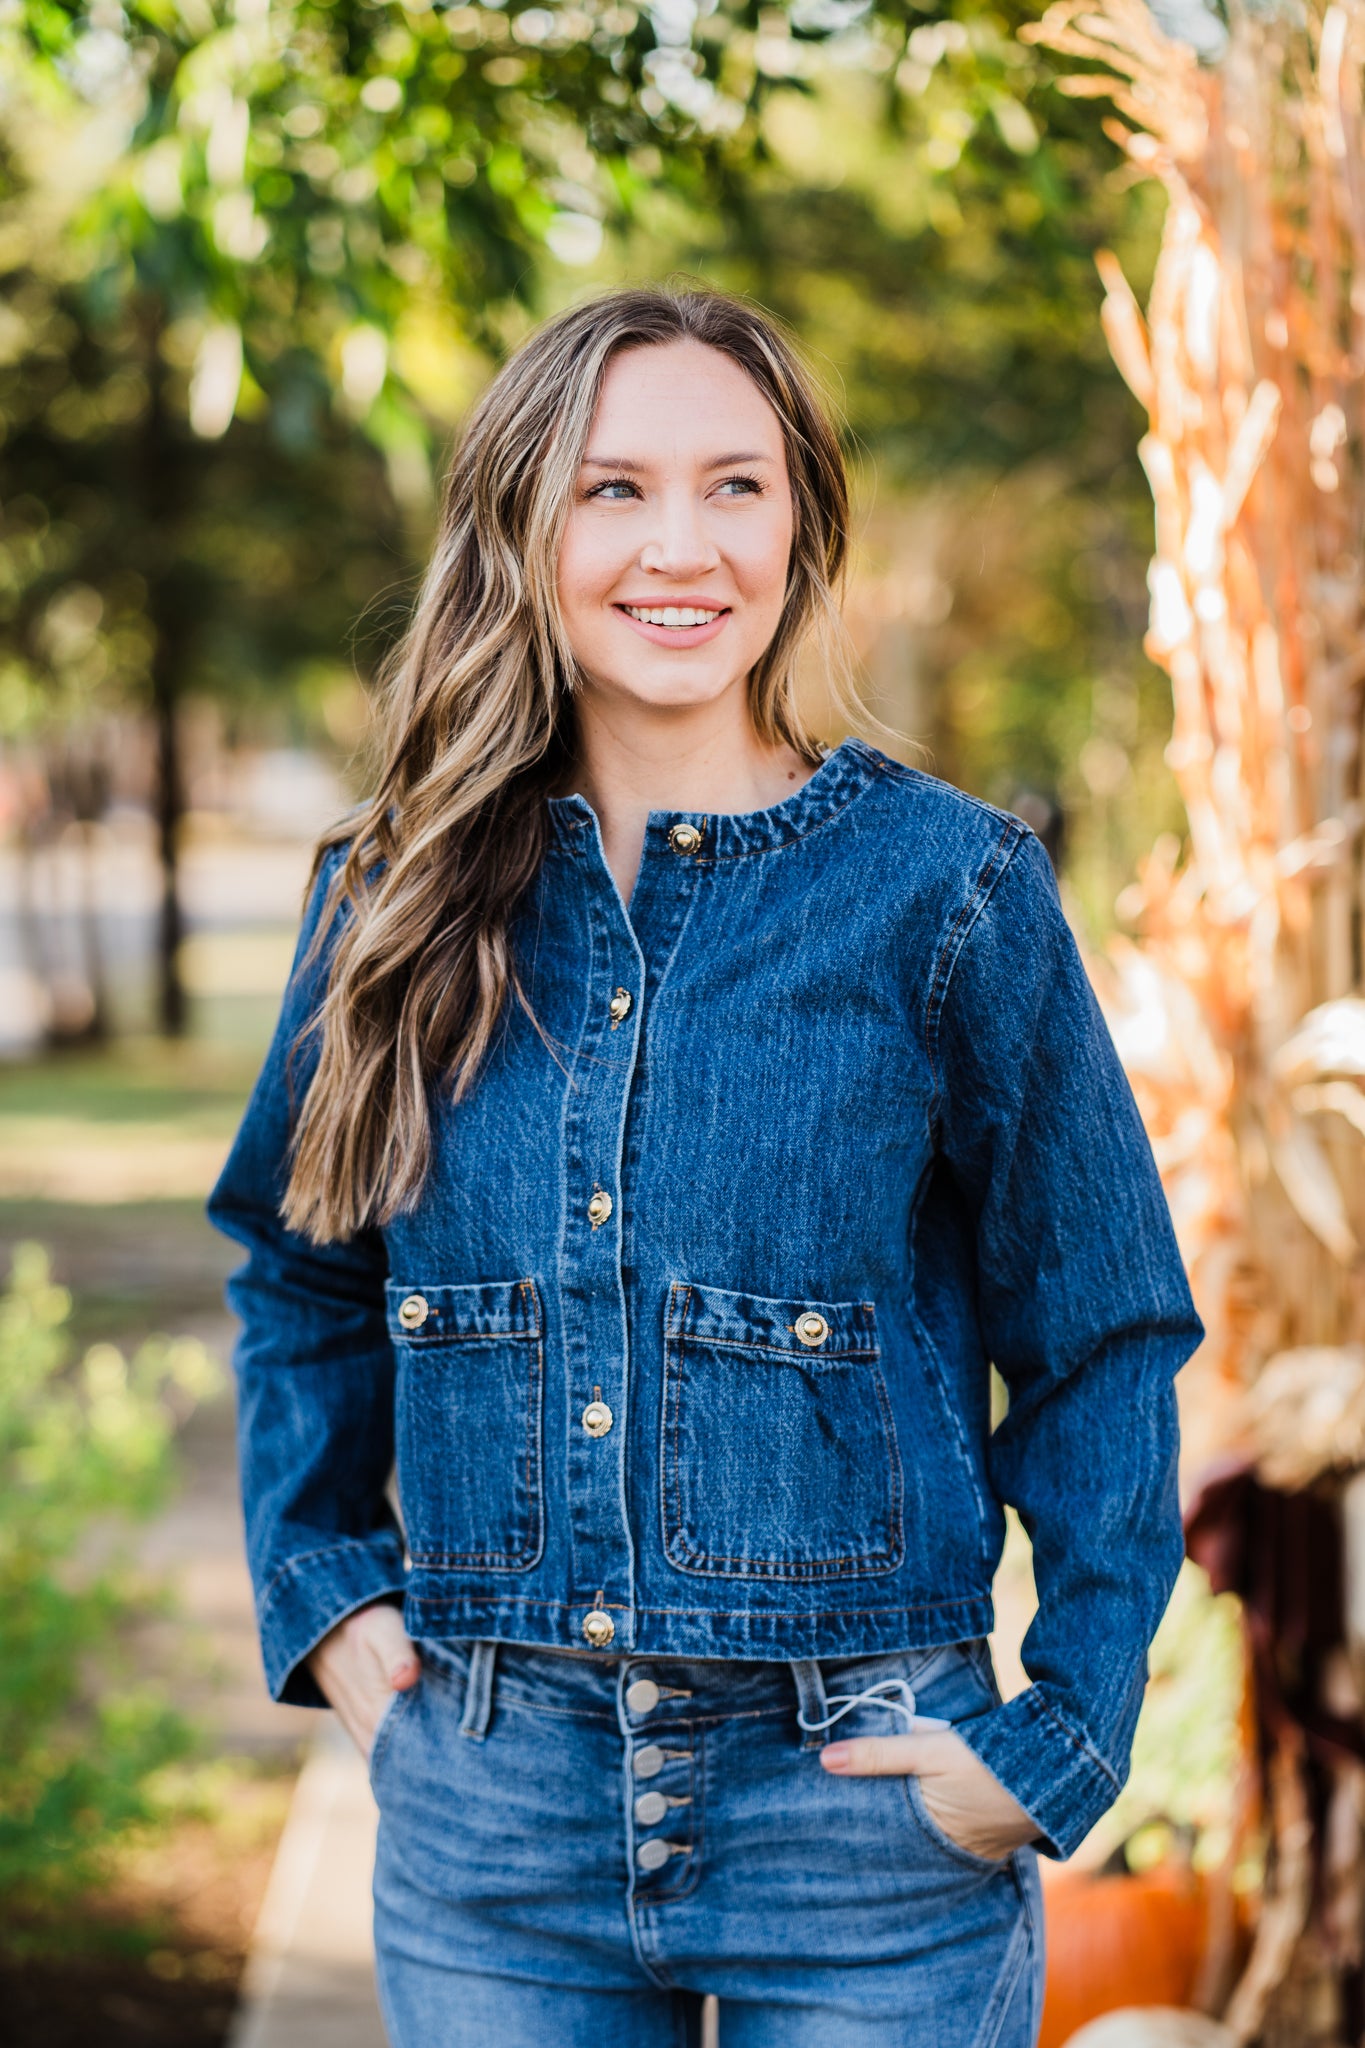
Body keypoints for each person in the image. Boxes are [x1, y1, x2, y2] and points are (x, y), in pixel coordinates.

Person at [208, 286, 1202, 2048]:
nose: (681, 545)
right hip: (494, 1812)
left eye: (734, 486)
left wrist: (1054, 1736)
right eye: (614, 490)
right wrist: (327, 1597)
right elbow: (299, 1267)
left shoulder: (947, 891)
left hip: (867, 1810)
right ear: (524, 527)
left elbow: (1103, 1329)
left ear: (803, 525)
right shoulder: (392, 892)